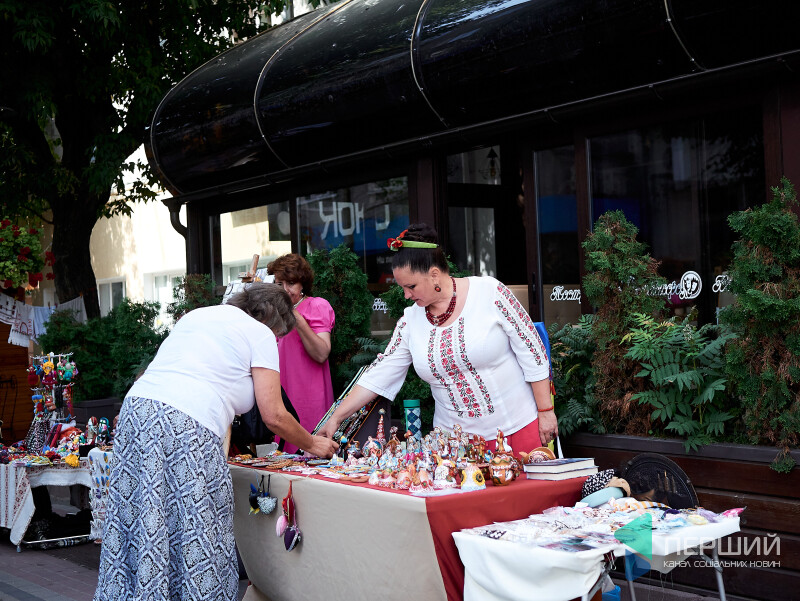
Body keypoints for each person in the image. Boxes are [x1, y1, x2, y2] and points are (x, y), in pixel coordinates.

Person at [94, 283, 338, 601]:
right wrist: (313, 444)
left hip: (136, 413)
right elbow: (274, 415)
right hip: (184, 424)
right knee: (199, 525)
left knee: (144, 513)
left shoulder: (199, 316)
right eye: (279, 335)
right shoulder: (260, 333)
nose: (277, 341)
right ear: (274, 320)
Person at [318, 223, 558, 456]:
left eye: (411, 286)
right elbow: (378, 375)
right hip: (454, 448)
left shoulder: (489, 292)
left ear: (434, 275)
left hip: (517, 428)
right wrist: (336, 417)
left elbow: (532, 350)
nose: (406, 295)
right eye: (402, 288)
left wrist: (545, 410)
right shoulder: (410, 321)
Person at [267, 253, 336, 453]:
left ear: (302, 284)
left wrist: (295, 316)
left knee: (311, 456)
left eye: (291, 283)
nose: (285, 290)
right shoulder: (272, 312)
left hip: (309, 396)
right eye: (279, 284)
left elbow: (322, 352)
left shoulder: (316, 305)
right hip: (281, 396)